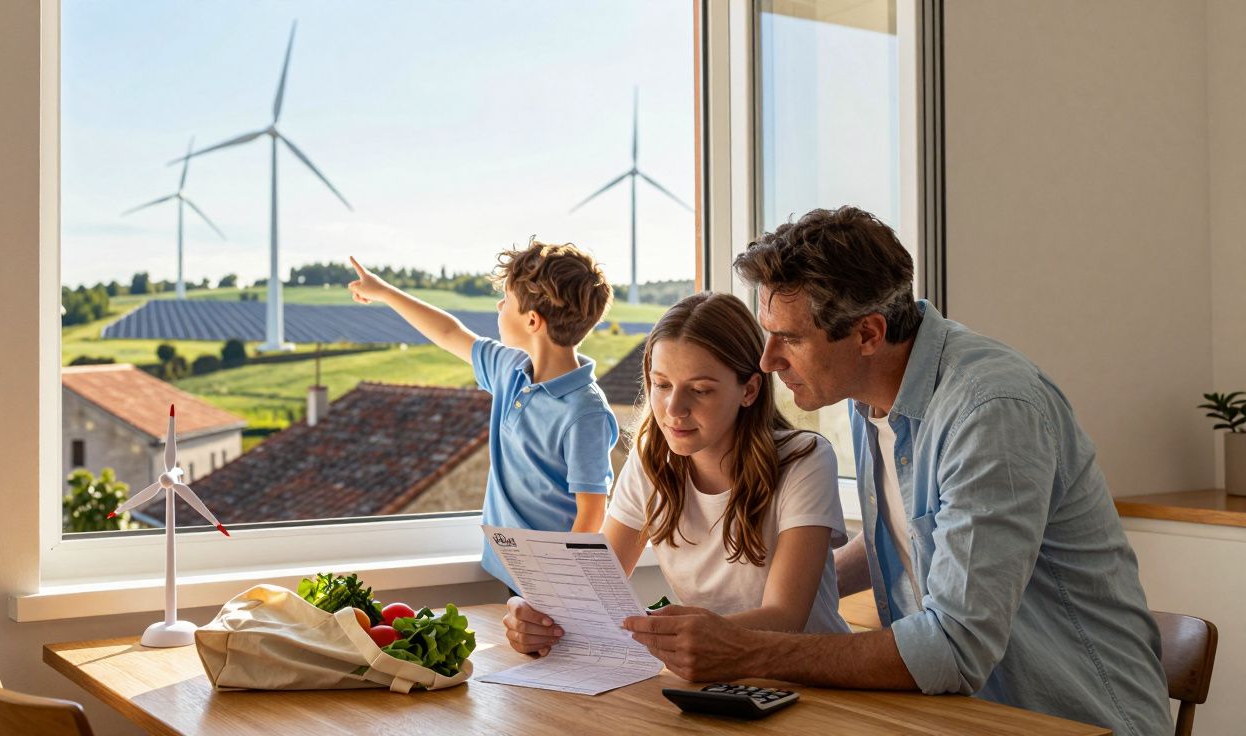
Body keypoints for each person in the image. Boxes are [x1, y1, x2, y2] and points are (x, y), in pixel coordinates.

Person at [618, 207, 1172, 736]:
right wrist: (800, 576)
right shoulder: (873, 398)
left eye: (789, 337)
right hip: (954, 718)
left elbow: (953, 647)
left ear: (868, 334)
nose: (767, 360)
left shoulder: (990, 411)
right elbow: (919, 536)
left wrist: (748, 649)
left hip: (1068, 721)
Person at [502, 292, 851, 658]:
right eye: (662, 385)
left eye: (699, 390)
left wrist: (667, 632)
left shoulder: (803, 459)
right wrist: (537, 617)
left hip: (808, 676)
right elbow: (595, 588)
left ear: (748, 390)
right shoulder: (652, 457)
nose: (673, 409)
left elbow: (786, 618)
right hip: (709, 678)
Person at [348, 241, 618, 592]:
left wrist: (560, 587)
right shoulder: (510, 369)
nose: (498, 305)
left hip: (550, 582)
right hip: (511, 569)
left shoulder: (585, 412)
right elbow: (449, 333)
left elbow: (592, 512)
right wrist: (384, 292)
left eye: (506, 299)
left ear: (533, 321)